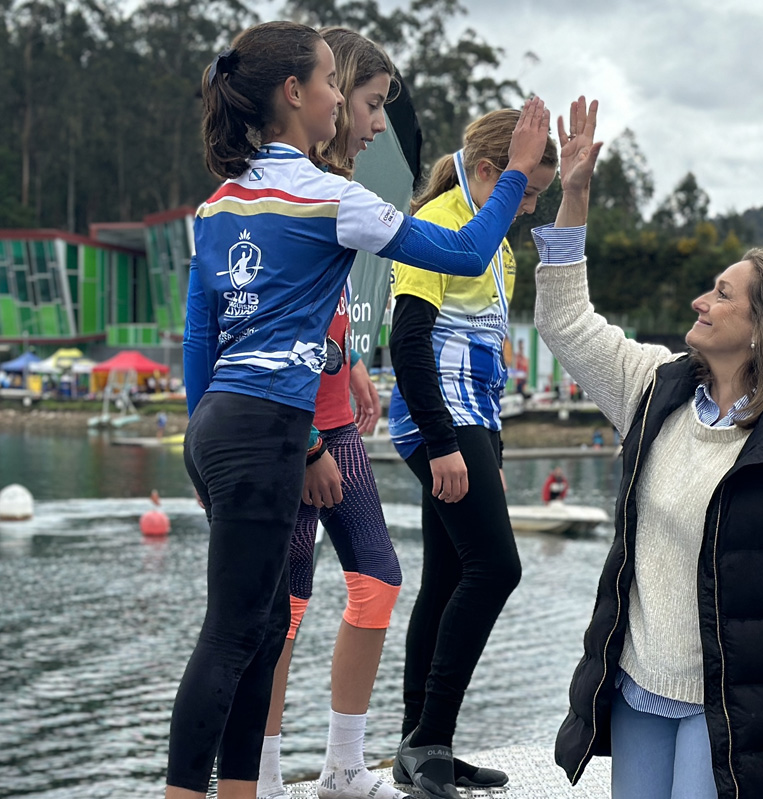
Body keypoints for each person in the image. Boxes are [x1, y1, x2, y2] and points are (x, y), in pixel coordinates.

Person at [171, 20, 549, 799]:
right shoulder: (331, 197)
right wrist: (515, 173)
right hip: (271, 427)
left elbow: (200, 340)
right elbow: (465, 251)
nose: (343, 102)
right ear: (295, 93)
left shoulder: (218, 205)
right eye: (334, 86)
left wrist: (199, 445)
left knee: (260, 628)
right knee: (235, 635)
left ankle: (261, 785)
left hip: (220, 426)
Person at [534, 98, 763, 799]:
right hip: (638, 688)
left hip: (730, 708)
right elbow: (564, 321)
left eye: (721, 294)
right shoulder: (654, 387)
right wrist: (575, 197)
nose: (699, 303)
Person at [251, 28, 411, 799]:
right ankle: (262, 776)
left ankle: (343, 766)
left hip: (335, 415)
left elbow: (320, 308)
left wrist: (350, 367)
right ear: (331, 94)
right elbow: (265, 320)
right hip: (293, 431)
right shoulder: (289, 186)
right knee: (282, 606)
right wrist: (311, 435)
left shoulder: (336, 183)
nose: (378, 124)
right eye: (372, 104)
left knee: (377, 580)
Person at [387, 108, 559, 799]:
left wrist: (493, 450)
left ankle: (421, 745)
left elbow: (484, 359)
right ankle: (430, 736)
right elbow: (407, 342)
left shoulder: (499, 249)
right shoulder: (437, 221)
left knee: (447, 575)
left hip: (476, 420)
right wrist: (440, 443)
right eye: (527, 191)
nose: (529, 206)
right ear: (490, 172)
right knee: (496, 569)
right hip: (438, 420)